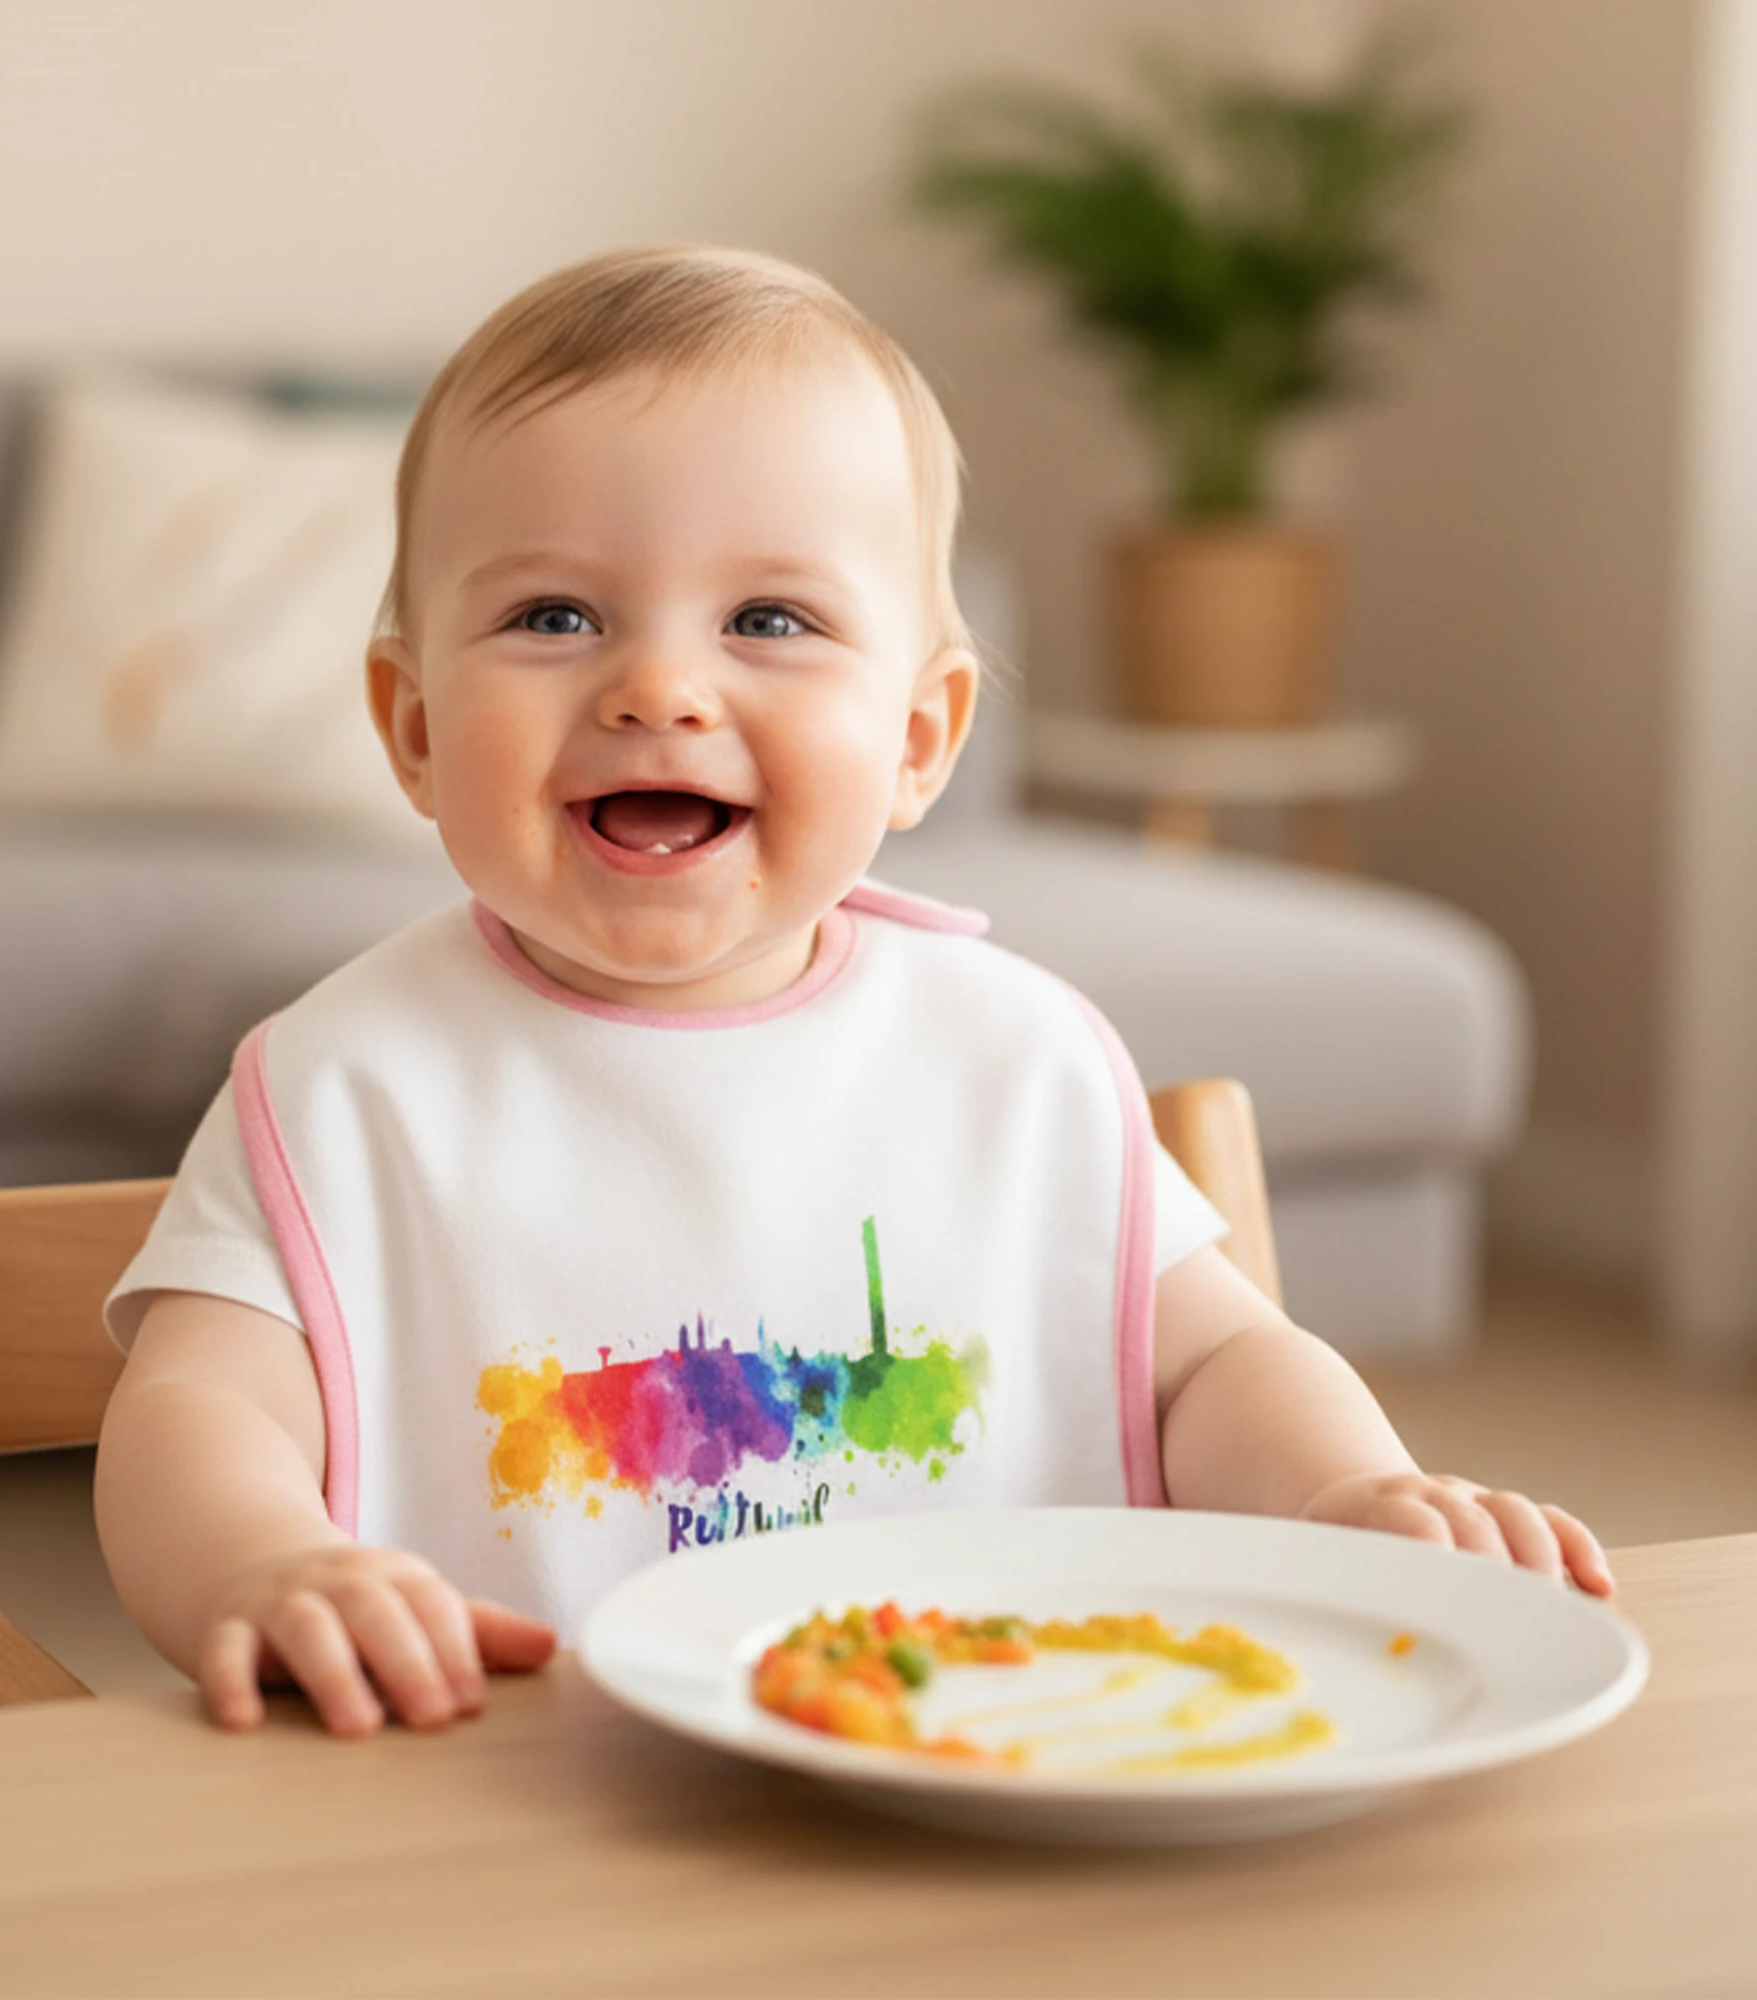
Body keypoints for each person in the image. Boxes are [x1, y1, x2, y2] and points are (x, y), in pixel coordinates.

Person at [94, 245, 1612, 1740]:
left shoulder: (1010, 1060)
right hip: (526, 1819)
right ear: (413, 723)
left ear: (920, 737)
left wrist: (1349, 1492)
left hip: (1011, 1768)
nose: (658, 689)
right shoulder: (344, 1085)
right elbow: (197, 1416)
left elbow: (1215, 1360)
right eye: (555, 616)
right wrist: (267, 1562)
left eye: (769, 620)